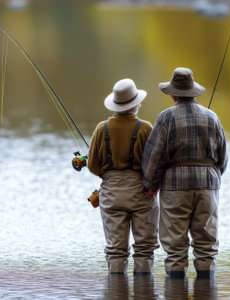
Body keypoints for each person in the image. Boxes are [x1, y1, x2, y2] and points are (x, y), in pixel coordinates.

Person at [142, 67, 228, 279]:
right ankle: (206, 287)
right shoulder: (212, 118)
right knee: (207, 243)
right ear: (193, 92)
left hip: (174, 187)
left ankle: (176, 289)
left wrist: (151, 184)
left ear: (173, 94)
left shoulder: (165, 118)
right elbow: (223, 158)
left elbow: (154, 156)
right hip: (208, 185)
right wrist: (212, 178)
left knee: (175, 245)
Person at [88, 78, 159, 275]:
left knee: (115, 250)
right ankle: (144, 292)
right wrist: (151, 183)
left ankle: (116, 290)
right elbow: (155, 163)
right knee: (145, 248)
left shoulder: (101, 129)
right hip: (142, 193)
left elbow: (92, 165)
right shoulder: (145, 128)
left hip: (111, 194)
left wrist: (110, 176)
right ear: (136, 104)